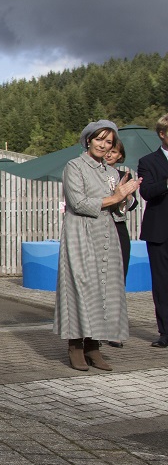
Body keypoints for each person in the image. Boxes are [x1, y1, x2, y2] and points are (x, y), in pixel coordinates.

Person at [55, 121, 139, 370]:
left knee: (105, 290)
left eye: (109, 142)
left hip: (106, 234)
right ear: (88, 140)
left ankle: (94, 346)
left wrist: (125, 198)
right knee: (80, 287)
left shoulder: (112, 173)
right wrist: (115, 196)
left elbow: (118, 210)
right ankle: (75, 346)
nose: (103, 145)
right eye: (99, 139)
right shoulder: (74, 166)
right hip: (79, 232)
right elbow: (78, 203)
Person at [103, 136, 139, 348]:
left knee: (118, 280)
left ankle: (114, 329)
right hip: (98, 228)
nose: (109, 154)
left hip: (118, 229)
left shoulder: (123, 175)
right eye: (108, 149)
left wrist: (125, 195)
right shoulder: (91, 173)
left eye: (115, 152)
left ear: (120, 156)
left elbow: (132, 205)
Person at [138, 113, 168, 349]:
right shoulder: (148, 161)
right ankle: (165, 333)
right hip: (160, 232)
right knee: (162, 283)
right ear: (162, 134)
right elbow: (146, 192)